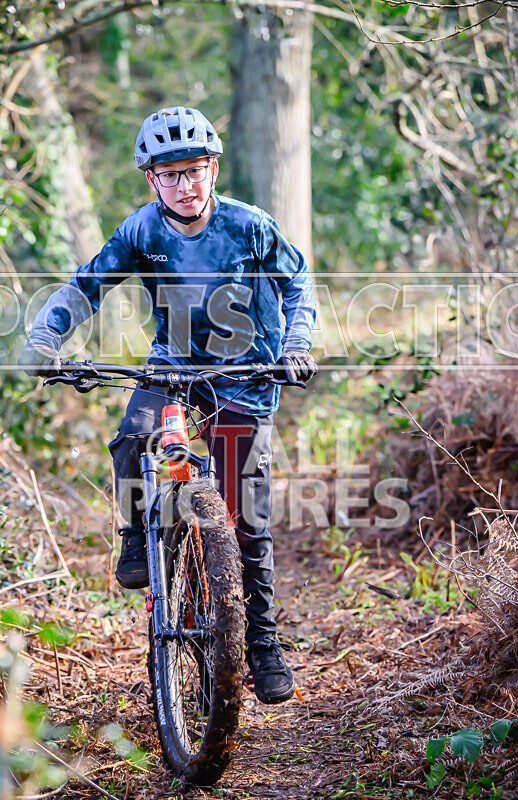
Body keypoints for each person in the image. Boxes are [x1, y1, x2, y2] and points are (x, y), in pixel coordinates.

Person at [19, 105, 317, 704]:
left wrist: (296, 342)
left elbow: (296, 282)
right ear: (152, 179)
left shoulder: (249, 226)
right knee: (134, 435)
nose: (185, 186)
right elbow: (87, 286)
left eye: (196, 171)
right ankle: (137, 537)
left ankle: (261, 641)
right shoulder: (141, 232)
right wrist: (47, 337)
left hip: (247, 371)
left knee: (247, 516)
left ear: (213, 169)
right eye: (170, 174)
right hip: (175, 367)